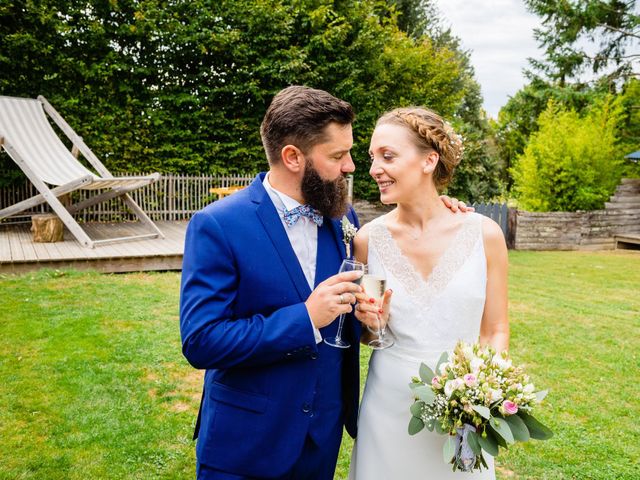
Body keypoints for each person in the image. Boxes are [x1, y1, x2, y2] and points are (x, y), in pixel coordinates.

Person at [180, 86, 470, 480]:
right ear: (293, 157)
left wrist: (368, 318)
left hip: (321, 440)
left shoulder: (342, 217)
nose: (351, 166)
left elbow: (354, 313)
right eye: (338, 156)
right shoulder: (218, 225)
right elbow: (201, 340)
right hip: (246, 442)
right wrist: (304, 318)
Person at [349, 107, 509, 479]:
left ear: (429, 160)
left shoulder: (485, 235)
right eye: (372, 157)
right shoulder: (367, 241)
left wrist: (482, 395)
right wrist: (373, 325)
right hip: (388, 408)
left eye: (387, 156)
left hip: (463, 410)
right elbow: (371, 334)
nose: (374, 168)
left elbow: (495, 328)